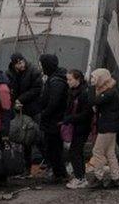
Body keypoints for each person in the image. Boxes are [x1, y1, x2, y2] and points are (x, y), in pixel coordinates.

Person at [37, 54, 69, 182]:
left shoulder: (56, 81)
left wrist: (44, 113)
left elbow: (54, 102)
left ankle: (59, 174)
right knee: (52, 147)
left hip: (54, 121)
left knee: (54, 148)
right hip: (52, 120)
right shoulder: (54, 78)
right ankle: (59, 173)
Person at [88, 68, 119, 188]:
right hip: (111, 126)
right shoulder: (109, 90)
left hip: (107, 126)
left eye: (94, 78)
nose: (92, 80)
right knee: (110, 152)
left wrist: (91, 88)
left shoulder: (108, 93)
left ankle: (99, 177)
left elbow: (93, 101)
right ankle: (115, 177)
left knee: (97, 151)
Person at [61, 69, 93, 189]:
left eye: (70, 79)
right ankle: (81, 177)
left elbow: (86, 113)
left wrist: (70, 118)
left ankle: (80, 177)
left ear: (77, 79)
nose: (68, 82)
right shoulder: (73, 91)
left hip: (82, 127)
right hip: (75, 126)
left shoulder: (84, 93)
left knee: (75, 152)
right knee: (76, 152)